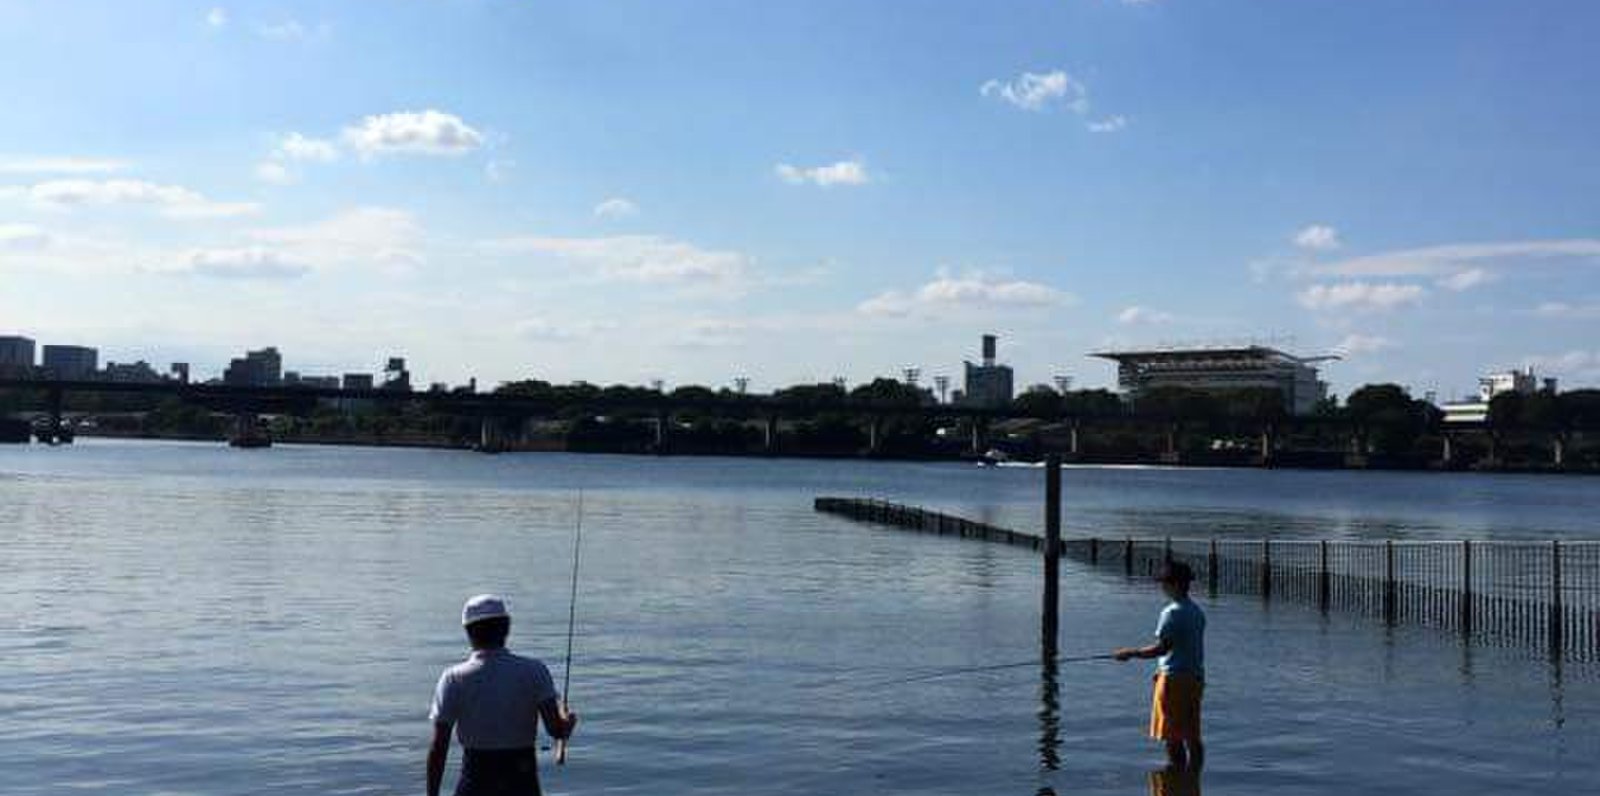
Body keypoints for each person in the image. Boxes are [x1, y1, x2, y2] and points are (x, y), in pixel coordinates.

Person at [428, 594, 579, 796]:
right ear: (506, 627)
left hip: (474, 782)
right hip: (521, 782)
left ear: (468, 631)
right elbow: (556, 730)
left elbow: (439, 748)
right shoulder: (534, 670)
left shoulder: (453, 679)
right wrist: (569, 721)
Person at [1114, 561, 1206, 771]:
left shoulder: (1171, 613)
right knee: (1192, 735)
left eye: (1163, 583)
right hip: (1195, 679)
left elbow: (1162, 649)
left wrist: (1130, 653)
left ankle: (1174, 779)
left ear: (1173, 584)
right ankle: (1193, 780)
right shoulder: (1197, 611)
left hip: (1173, 681)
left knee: (1171, 736)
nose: (1161, 588)